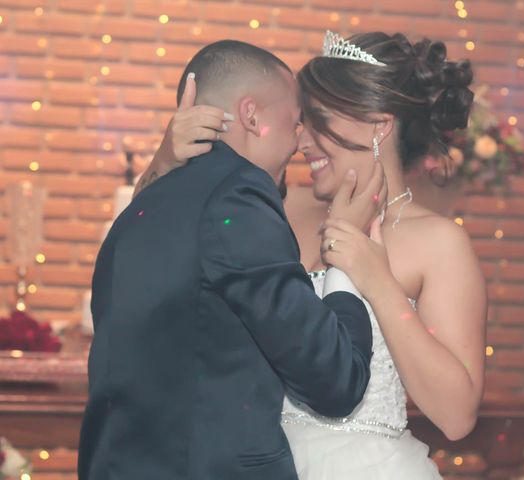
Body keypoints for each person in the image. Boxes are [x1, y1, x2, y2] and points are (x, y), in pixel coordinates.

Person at [140, 31, 487, 479]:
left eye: (317, 120)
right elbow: (148, 242)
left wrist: (378, 282)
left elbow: (456, 417)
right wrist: (166, 162)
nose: (301, 140)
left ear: (379, 124)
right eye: (301, 121)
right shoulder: (276, 208)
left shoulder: (438, 243)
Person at [78, 39, 393, 480]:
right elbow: (335, 380)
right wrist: (344, 249)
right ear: (251, 115)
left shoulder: (140, 208)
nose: (301, 138)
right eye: (296, 121)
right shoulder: (240, 196)